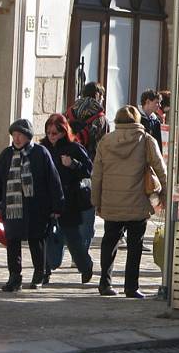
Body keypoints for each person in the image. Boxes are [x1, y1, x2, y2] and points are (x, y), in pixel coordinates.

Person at [92, 105, 166, 298]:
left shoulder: (106, 141)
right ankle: (131, 287)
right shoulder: (146, 141)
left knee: (109, 243)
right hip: (137, 202)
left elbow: (97, 175)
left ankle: (104, 283)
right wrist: (165, 194)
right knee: (135, 245)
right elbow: (161, 169)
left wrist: (96, 201)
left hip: (111, 201)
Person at [0, 119, 64, 292]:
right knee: (13, 241)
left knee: (36, 240)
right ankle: (14, 277)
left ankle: (39, 274)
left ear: (28, 137)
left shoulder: (40, 153)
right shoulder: (7, 155)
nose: (16, 139)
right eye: (14, 135)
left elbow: (53, 181)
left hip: (36, 207)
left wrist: (57, 206)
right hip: (13, 207)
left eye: (20, 135)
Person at [40, 113, 94, 285]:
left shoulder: (74, 148)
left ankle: (85, 267)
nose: (51, 136)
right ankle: (45, 270)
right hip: (47, 200)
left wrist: (73, 164)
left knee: (73, 239)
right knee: (46, 237)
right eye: (48, 133)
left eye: (55, 133)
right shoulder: (43, 149)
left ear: (64, 132)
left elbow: (88, 170)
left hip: (69, 200)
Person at [65, 81, 109, 255]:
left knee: (69, 209)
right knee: (87, 211)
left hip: (67, 166)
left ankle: (67, 246)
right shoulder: (100, 118)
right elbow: (103, 146)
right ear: (98, 95)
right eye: (102, 95)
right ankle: (81, 253)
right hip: (91, 169)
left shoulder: (69, 113)